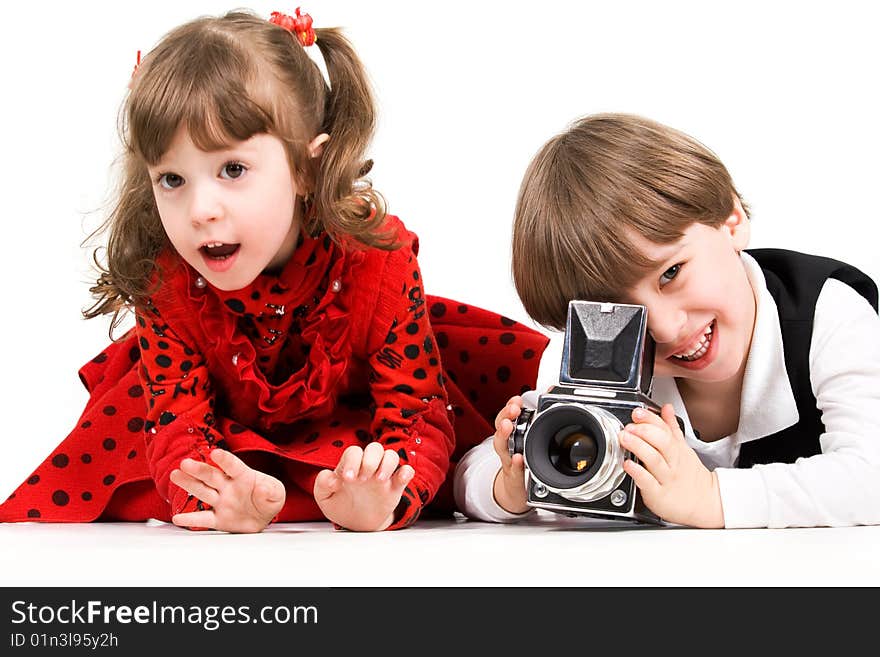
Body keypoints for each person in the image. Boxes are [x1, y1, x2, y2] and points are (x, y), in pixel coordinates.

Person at [0, 9, 548, 532]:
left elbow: (414, 411)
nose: (199, 211)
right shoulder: (169, 280)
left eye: (232, 169)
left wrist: (385, 498)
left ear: (307, 168)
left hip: (349, 427)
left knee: (407, 462)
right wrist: (214, 497)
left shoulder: (375, 260)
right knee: (138, 457)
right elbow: (177, 421)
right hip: (220, 432)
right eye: (172, 179)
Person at [454, 113, 880, 529]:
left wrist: (709, 498)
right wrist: (509, 487)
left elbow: (871, 474)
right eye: (622, 312)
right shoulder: (593, 359)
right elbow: (473, 469)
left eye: (671, 273)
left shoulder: (827, 312)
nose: (664, 328)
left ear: (731, 221)